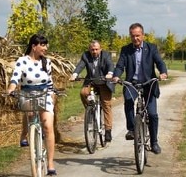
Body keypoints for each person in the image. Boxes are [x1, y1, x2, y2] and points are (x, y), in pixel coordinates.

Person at [112, 23, 168, 154]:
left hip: (149, 84)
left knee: (153, 114)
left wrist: (163, 72)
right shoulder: (126, 49)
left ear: (143, 35)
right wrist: (116, 76)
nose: (135, 38)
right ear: (130, 36)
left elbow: (160, 62)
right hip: (132, 83)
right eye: (133, 36)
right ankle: (131, 129)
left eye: (138, 35)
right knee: (129, 101)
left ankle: (154, 142)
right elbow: (120, 65)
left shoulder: (151, 48)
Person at [7, 33, 58, 176]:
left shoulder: (46, 62)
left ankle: (50, 163)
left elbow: (49, 81)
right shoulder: (22, 61)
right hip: (27, 93)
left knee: (48, 126)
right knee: (29, 113)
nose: (46, 48)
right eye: (43, 45)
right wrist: (11, 88)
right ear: (34, 46)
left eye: (46, 45)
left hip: (44, 93)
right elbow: (15, 77)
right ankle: (24, 135)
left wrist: (53, 93)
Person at [69, 40, 115, 142]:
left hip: (104, 82)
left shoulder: (106, 55)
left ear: (100, 49)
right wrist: (75, 74)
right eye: (92, 49)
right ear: (89, 50)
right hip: (91, 81)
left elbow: (110, 65)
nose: (94, 51)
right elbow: (80, 65)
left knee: (106, 105)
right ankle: (90, 111)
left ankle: (108, 130)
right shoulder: (86, 55)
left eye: (96, 49)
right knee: (83, 92)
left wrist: (110, 73)